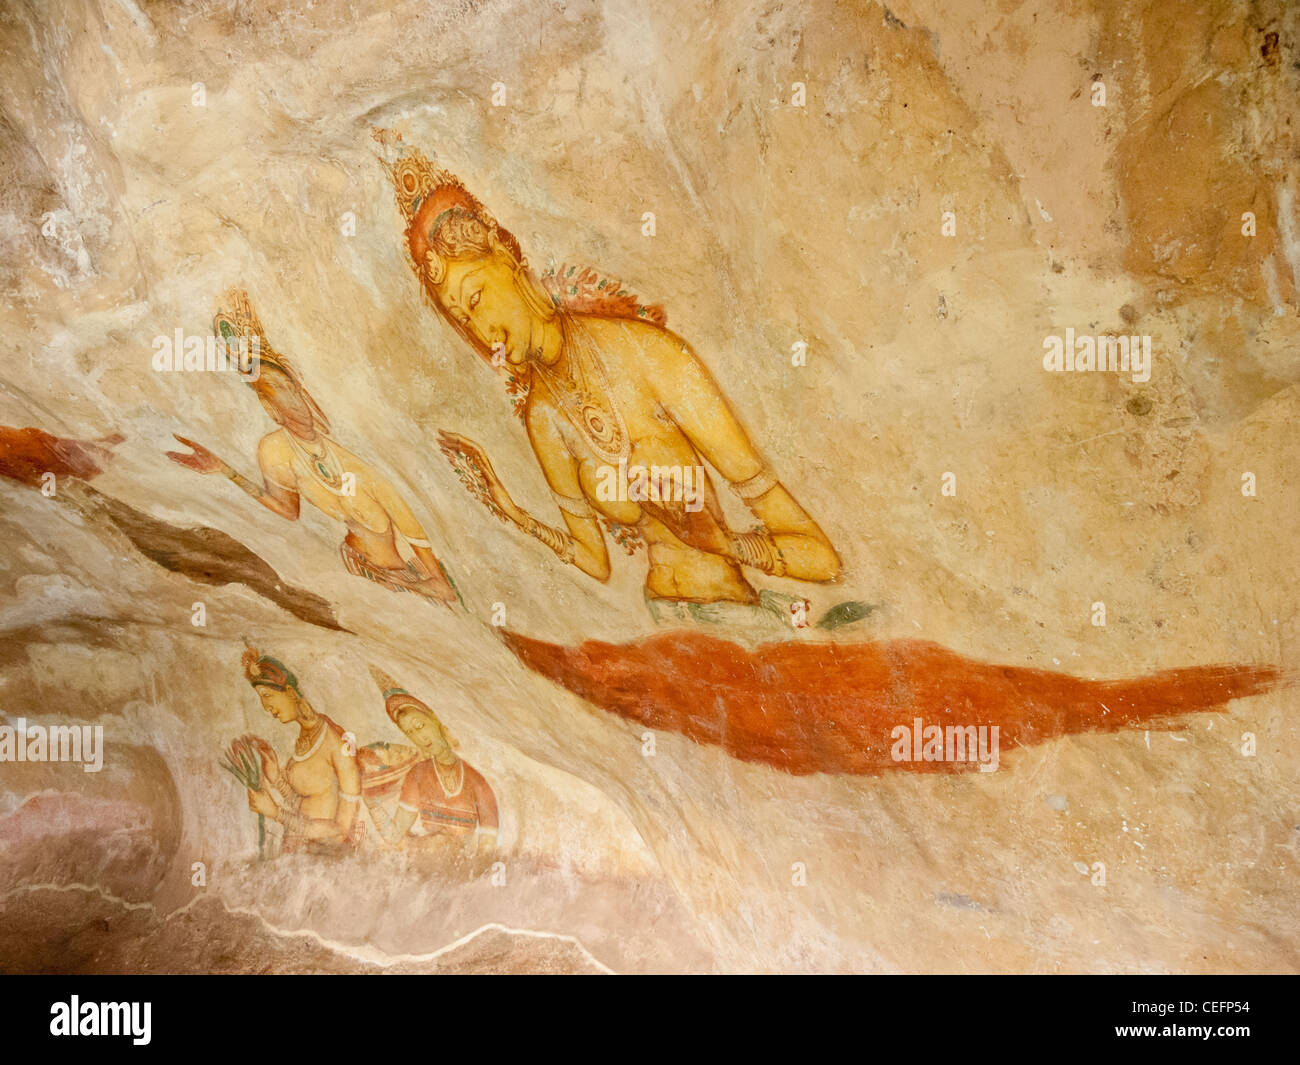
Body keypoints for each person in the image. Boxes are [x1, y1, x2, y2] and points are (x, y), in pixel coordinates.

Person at [375, 130, 841, 625]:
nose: (480, 329)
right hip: (664, 620)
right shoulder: (542, 416)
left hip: (733, 613)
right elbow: (595, 561)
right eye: (463, 320)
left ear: (506, 260)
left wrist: (724, 543)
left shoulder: (651, 355)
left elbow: (820, 556)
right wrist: (513, 512)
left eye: (475, 299)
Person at [167, 289, 459, 607]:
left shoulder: (351, 459)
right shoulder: (276, 449)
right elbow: (287, 510)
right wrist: (224, 470)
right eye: (274, 394)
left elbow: (403, 516)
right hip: (363, 577)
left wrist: (434, 578)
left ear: (301, 390)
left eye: (289, 387)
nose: (288, 400)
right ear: (270, 409)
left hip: (398, 575)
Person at [237, 642, 363, 855]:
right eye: (261, 699)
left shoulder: (337, 743)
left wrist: (275, 813)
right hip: (299, 852)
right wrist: (276, 778)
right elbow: (305, 804)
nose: (265, 707)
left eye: (267, 696)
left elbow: (340, 831)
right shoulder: (305, 737)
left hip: (325, 858)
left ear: (289, 691)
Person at [364, 666, 498, 856]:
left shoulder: (477, 782)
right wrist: (373, 806)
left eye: (420, 725)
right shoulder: (417, 775)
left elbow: (487, 852)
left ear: (436, 722)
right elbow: (394, 835)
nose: (419, 736)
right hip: (423, 866)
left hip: (455, 873)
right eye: (410, 732)